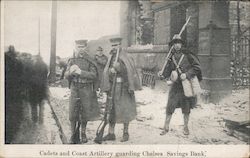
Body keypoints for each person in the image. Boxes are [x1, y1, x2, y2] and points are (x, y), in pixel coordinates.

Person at [158, 34, 202, 136]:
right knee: (170, 106)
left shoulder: (188, 55)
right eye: (175, 43)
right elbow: (168, 71)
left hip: (185, 85)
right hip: (175, 85)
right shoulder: (171, 57)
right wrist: (162, 74)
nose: (177, 45)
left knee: (186, 108)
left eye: (178, 43)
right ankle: (166, 127)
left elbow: (197, 67)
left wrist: (186, 74)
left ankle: (186, 127)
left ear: (181, 44)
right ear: (172, 45)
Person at [101, 37, 141, 142]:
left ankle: (125, 133)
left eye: (116, 45)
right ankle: (111, 133)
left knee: (125, 110)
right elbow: (107, 72)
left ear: (120, 45)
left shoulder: (126, 56)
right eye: (113, 45)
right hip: (113, 88)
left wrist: (120, 68)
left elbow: (130, 72)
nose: (114, 47)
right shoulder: (111, 57)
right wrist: (110, 72)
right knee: (111, 110)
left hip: (124, 87)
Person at [65, 40, 99, 144]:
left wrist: (81, 72)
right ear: (76, 47)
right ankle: (73, 134)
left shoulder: (90, 60)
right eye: (78, 47)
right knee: (72, 112)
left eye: (82, 47)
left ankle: (83, 133)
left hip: (86, 88)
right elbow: (65, 75)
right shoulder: (72, 60)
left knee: (85, 111)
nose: (80, 49)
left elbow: (94, 75)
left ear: (86, 47)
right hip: (75, 87)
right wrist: (70, 72)